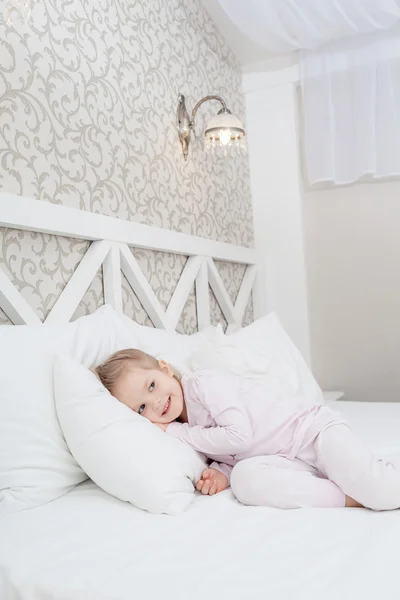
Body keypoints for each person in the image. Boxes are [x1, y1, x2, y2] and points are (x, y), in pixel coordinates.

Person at [95, 348, 400, 510]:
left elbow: (239, 436)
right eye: (141, 408)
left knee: (385, 491)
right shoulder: (185, 428)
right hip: (286, 460)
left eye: (152, 385)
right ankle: (351, 499)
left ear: (164, 369)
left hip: (312, 432)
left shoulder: (204, 384)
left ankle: (370, 487)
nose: (156, 402)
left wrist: (177, 433)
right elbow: (235, 456)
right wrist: (221, 474)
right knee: (245, 481)